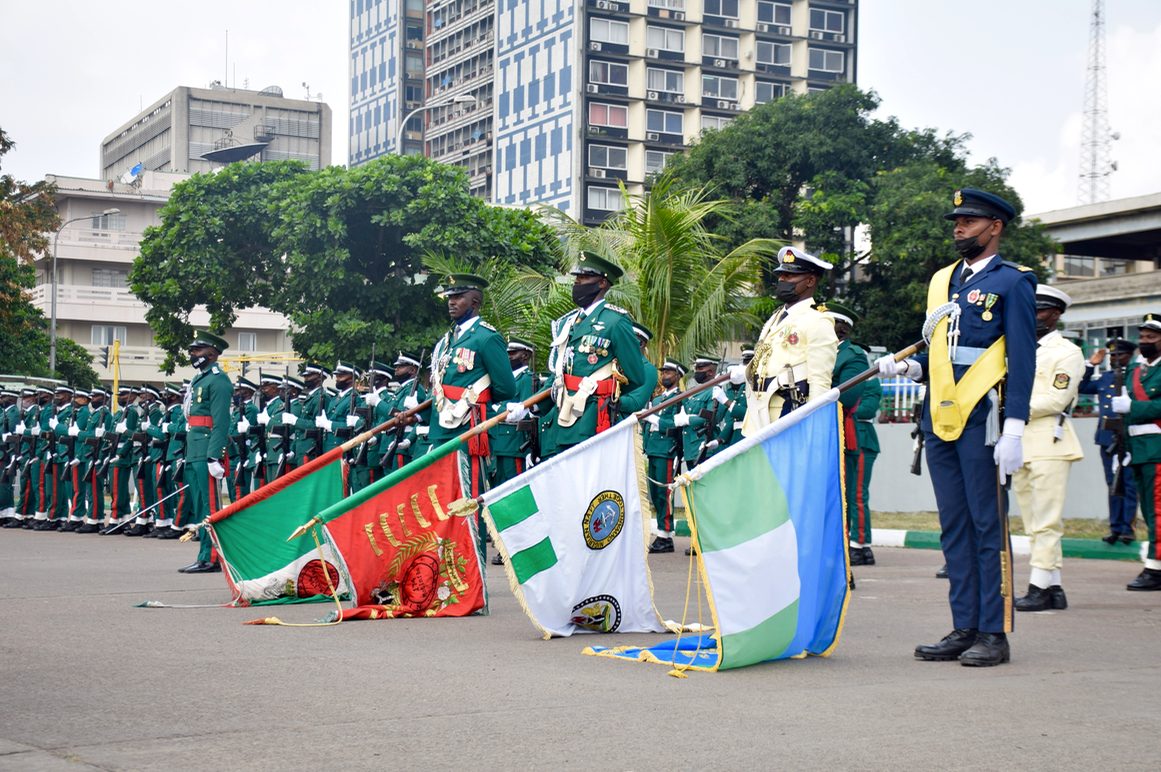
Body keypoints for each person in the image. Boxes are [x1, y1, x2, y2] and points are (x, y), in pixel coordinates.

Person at [879, 188, 1036, 667]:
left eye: (970, 220)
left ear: (996, 227)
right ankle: (964, 625)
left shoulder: (1013, 282)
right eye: (957, 220)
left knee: (988, 526)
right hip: (940, 417)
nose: (959, 227)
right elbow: (944, 355)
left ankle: (994, 631)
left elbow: (1023, 360)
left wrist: (1014, 427)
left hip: (985, 419)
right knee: (954, 528)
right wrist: (910, 370)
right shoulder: (945, 283)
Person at [1010, 286, 1085, 611]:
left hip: (1050, 442)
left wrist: (1009, 407)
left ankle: (1039, 585)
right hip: (1021, 443)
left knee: (1047, 520)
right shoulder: (1018, 348)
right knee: (1031, 519)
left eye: (1040, 310)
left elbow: (1057, 398)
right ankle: (1053, 588)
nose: (1034, 316)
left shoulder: (1066, 352)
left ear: (1055, 314)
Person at [546, 252, 653, 453]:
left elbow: (636, 376)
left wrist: (604, 391)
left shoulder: (615, 321)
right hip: (562, 412)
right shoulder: (568, 322)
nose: (577, 283)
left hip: (593, 416)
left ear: (602, 283)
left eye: (584, 278)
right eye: (577, 278)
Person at [729, 246, 838, 435]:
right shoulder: (777, 315)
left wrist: (812, 428)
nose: (782, 280)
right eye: (781, 275)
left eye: (789, 276)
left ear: (810, 281)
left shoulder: (818, 320)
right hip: (758, 414)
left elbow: (819, 382)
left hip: (787, 415)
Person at [826, 301, 881, 567]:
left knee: (858, 494)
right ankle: (851, 541)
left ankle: (861, 545)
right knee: (845, 493)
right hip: (843, 432)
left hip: (860, 437)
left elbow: (867, 406)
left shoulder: (859, 366)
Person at [1110, 313, 1161, 591]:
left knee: (1158, 510)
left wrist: (1134, 408)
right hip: (1138, 448)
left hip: (1157, 447)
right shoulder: (1134, 369)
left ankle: (1155, 567)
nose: (1145, 342)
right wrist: (1126, 447)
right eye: (1142, 337)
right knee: (1148, 509)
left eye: (1152, 337)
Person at [179, 331, 233, 574]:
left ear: (211, 353)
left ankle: (212, 557)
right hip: (195, 449)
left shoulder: (218, 380)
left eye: (197, 350)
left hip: (207, 449)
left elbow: (221, 422)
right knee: (201, 506)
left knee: (211, 506)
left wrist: (215, 455)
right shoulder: (199, 379)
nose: (193, 355)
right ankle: (203, 555)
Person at [1078, 339, 1139, 544]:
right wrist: (1090, 365)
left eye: (1119, 354)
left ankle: (1127, 529)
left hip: (1128, 438)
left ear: (1129, 355)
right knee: (1112, 485)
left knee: (1129, 484)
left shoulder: (1135, 376)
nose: (1115, 358)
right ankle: (1115, 527)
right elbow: (1081, 386)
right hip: (1107, 439)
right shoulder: (1105, 378)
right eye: (1112, 355)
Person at [641, 361, 685, 554]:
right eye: (663, 372)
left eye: (669, 372)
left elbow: (678, 424)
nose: (664, 375)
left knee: (665, 493)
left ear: (678, 376)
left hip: (667, 448)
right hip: (653, 449)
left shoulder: (681, 398)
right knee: (655, 494)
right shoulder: (657, 400)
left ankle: (666, 536)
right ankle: (661, 533)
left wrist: (657, 420)